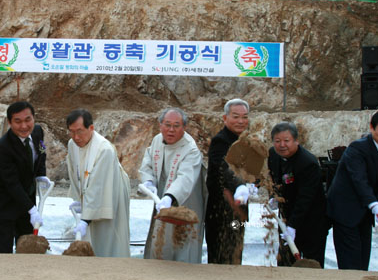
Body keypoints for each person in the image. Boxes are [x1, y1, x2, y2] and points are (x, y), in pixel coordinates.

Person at [327, 109, 378, 270]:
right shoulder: (357, 149)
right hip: (345, 210)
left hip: (365, 214)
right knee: (350, 264)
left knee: (362, 261)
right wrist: (374, 205)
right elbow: (359, 180)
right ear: (372, 128)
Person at [139, 107, 205, 263]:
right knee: (161, 239)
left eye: (176, 126)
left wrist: (169, 197)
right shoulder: (157, 140)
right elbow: (147, 163)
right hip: (162, 199)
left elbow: (186, 178)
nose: (171, 130)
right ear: (160, 124)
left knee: (183, 243)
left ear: (184, 127)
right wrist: (149, 181)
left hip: (184, 202)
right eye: (167, 124)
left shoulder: (191, 149)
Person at [66, 109, 130, 257]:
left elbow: (99, 186)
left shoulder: (104, 150)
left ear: (91, 128)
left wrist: (86, 219)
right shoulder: (72, 144)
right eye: (72, 132)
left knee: (108, 234)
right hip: (91, 194)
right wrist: (79, 198)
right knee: (90, 236)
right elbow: (74, 173)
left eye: (80, 131)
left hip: (111, 190)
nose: (76, 137)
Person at [268, 122, 329, 268]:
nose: (282, 145)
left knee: (311, 264)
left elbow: (306, 197)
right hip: (287, 219)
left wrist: (293, 225)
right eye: (277, 141)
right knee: (285, 262)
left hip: (312, 222)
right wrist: (274, 197)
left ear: (296, 141)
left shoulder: (308, 163)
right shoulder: (273, 155)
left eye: (286, 141)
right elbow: (274, 178)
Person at [0, 101, 49, 253]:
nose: (24, 126)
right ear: (9, 122)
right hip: (6, 205)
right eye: (18, 121)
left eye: (27, 120)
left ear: (34, 119)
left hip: (27, 201)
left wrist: (41, 175)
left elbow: (42, 152)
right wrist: (32, 210)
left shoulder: (37, 132)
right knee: (5, 251)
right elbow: (11, 183)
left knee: (27, 248)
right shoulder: (3, 147)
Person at [204, 98, 250, 264]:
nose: (240, 121)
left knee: (236, 249)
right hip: (220, 212)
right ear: (225, 118)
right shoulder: (221, 141)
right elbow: (224, 167)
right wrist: (239, 186)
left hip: (239, 213)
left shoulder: (246, 141)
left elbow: (252, 168)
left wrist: (254, 183)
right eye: (236, 116)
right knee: (220, 255)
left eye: (244, 117)